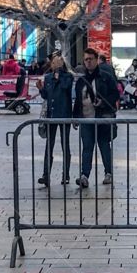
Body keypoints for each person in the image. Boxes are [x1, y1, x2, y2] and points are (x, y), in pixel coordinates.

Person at [74, 47, 120, 188]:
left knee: (104, 146)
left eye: (90, 59)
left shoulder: (106, 76)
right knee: (87, 147)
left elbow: (115, 94)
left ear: (96, 60)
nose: (88, 62)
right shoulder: (81, 80)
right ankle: (84, 176)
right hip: (86, 119)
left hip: (103, 118)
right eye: (86, 59)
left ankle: (108, 173)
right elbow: (78, 100)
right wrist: (75, 116)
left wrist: (103, 101)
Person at [38, 51, 75, 187]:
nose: (54, 65)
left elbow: (66, 88)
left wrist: (60, 74)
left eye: (57, 63)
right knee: (49, 145)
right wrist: (41, 89)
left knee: (65, 145)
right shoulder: (48, 77)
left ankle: (66, 175)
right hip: (51, 115)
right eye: (53, 63)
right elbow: (47, 96)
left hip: (64, 114)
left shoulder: (68, 77)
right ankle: (45, 174)